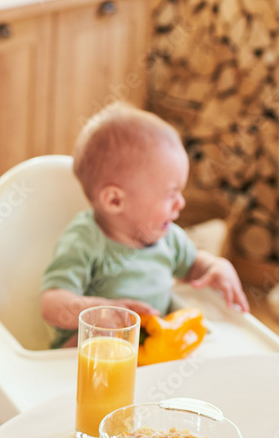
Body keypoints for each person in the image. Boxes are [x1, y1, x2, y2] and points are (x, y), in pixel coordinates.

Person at [40, 102, 249, 348]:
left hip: (152, 354)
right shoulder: (85, 239)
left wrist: (216, 267)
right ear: (115, 200)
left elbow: (192, 266)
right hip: (92, 358)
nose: (180, 203)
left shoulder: (167, 237)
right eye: (171, 194)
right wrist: (102, 312)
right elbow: (52, 304)